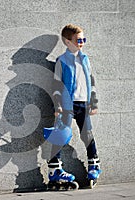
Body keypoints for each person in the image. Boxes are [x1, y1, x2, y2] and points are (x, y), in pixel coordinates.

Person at [48, 24, 101, 188]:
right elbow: (56, 84)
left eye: (83, 39)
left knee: (88, 135)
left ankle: (94, 164)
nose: (82, 42)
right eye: (79, 40)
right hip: (67, 105)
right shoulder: (61, 61)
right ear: (67, 41)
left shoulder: (85, 59)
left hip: (83, 103)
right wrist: (57, 105)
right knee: (61, 135)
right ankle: (55, 170)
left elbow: (90, 81)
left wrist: (93, 101)